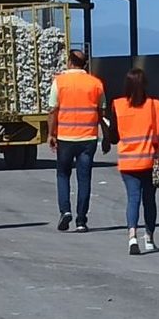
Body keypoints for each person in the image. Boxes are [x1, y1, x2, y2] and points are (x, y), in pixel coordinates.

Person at [105, 68, 159, 255]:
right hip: (151, 162)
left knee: (133, 199)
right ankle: (149, 238)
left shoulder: (118, 105)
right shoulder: (157, 107)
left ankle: (132, 237)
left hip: (128, 163)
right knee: (149, 200)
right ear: (145, 85)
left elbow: (114, 138)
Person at [48, 49, 107, 233]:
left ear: (69, 62)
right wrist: (106, 137)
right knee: (84, 179)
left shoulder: (59, 82)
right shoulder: (96, 84)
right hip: (88, 138)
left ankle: (65, 211)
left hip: (65, 137)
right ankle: (81, 220)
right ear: (85, 65)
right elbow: (101, 113)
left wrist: (51, 134)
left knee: (63, 175)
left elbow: (52, 111)